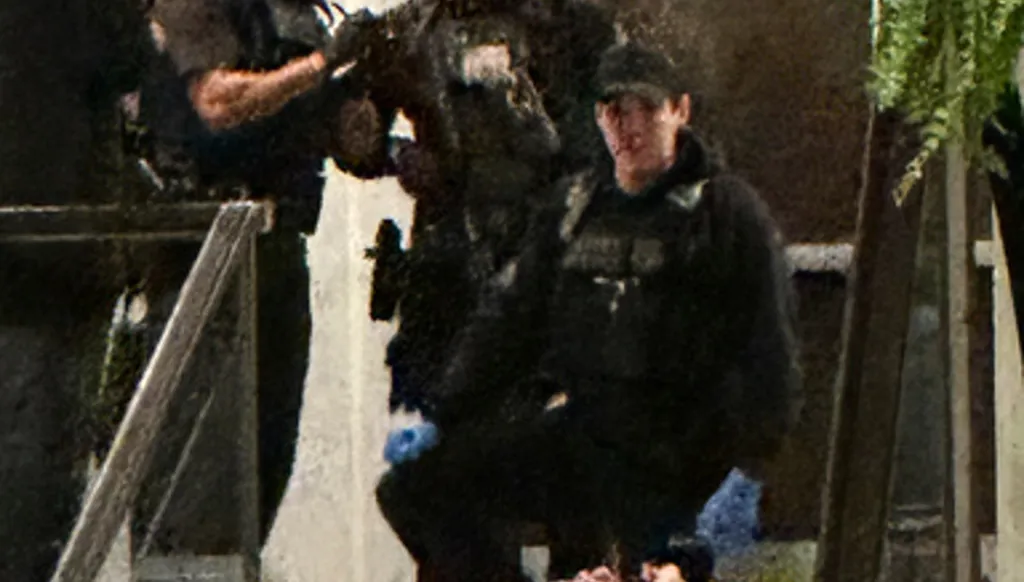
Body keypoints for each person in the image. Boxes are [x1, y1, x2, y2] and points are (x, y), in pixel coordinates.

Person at [375, 42, 802, 581]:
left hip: (683, 452)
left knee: (657, 563)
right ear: (599, 117)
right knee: (416, 489)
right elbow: (509, 321)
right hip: (589, 435)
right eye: (616, 110)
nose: (631, 126)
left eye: (648, 108)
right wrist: (443, 416)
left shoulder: (727, 214)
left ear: (680, 111)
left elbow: (770, 351)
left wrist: (748, 469)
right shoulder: (574, 208)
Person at [127, 0, 381, 548]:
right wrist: (318, 67)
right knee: (197, 477)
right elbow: (217, 102)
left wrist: (368, 91)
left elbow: (349, 140)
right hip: (204, 255)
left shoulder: (294, 13)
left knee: (265, 463)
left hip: (275, 246)